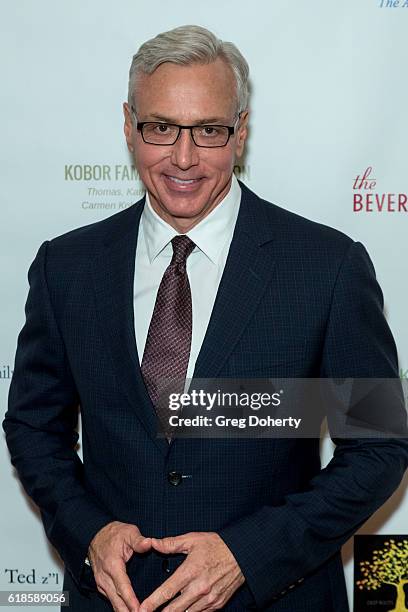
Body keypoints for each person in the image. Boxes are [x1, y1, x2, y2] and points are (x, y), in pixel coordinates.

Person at [3, 24, 408, 612]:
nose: (184, 158)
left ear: (240, 131)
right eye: (161, 127)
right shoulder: (68, 266)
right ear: (128, 126)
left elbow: (378, 447)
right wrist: (89, 532)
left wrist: (248, 553)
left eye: (210, 130)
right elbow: (35, 428)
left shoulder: (328, 266)